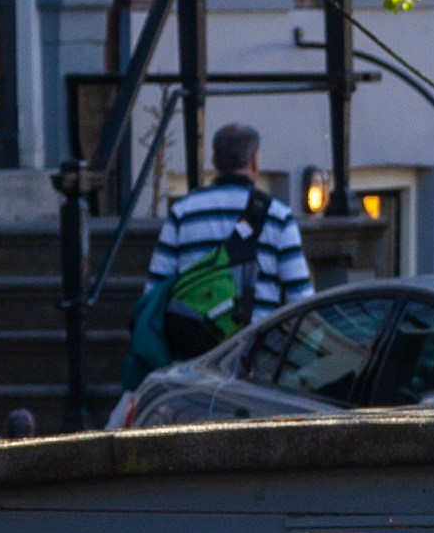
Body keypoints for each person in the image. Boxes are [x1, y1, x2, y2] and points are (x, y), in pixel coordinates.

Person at [134, 125, 314, 373]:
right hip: (254, 360)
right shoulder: (278, 216)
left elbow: (154, 291)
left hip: (193, 358)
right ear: (254, 161)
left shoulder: (183, 212)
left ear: (214, 160)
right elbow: (301, 300)